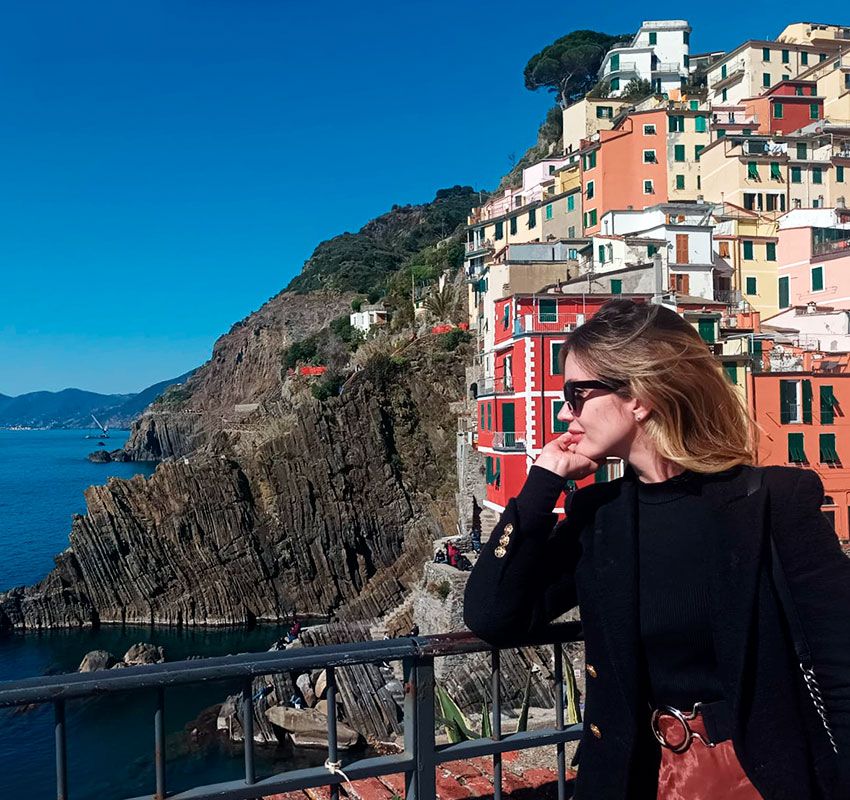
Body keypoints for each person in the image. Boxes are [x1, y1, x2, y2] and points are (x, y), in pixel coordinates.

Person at [463, 299, 850, 800]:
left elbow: (840, 670)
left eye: (577, 394)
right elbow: (493, 615)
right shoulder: (598, 518)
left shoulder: (772, 503)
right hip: (632, 778)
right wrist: (542, 484)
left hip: (756, 778)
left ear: (639, 397)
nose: (564, 411)